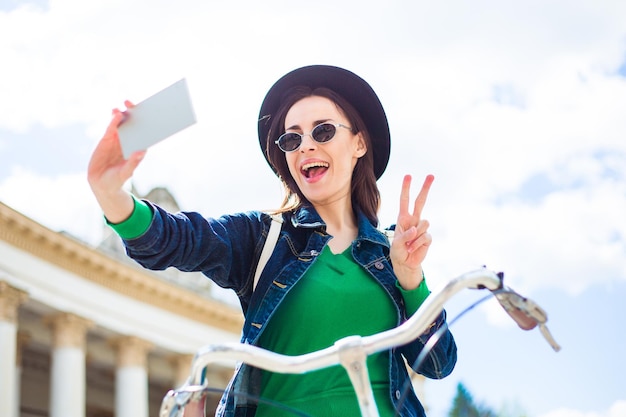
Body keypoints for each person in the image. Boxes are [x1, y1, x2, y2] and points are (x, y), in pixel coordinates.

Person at [87, 65, 457, 417]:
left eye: (323, 131)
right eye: (291, 138)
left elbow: (439, 364)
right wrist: (110, 194)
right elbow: (179, 238)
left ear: (359, 143)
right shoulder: (262, 237)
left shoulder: (389, 253)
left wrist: (411, 280)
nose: (305, 146)